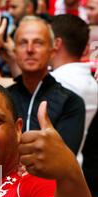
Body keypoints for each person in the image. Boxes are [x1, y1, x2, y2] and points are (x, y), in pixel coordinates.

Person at [0, 14, 86, 155]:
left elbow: (64, 160)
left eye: (38, 43)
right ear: (15, 51)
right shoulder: (2, 100)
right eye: (23, 43)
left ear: (52, 51)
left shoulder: (70, 101)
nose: (30, 49)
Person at [50, 14, 98, 165]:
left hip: (52, 172)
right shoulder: (90, 81)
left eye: (41, 41)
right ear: (84, 50)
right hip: (74, 169)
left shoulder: (60, 81)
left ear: (55, 43)